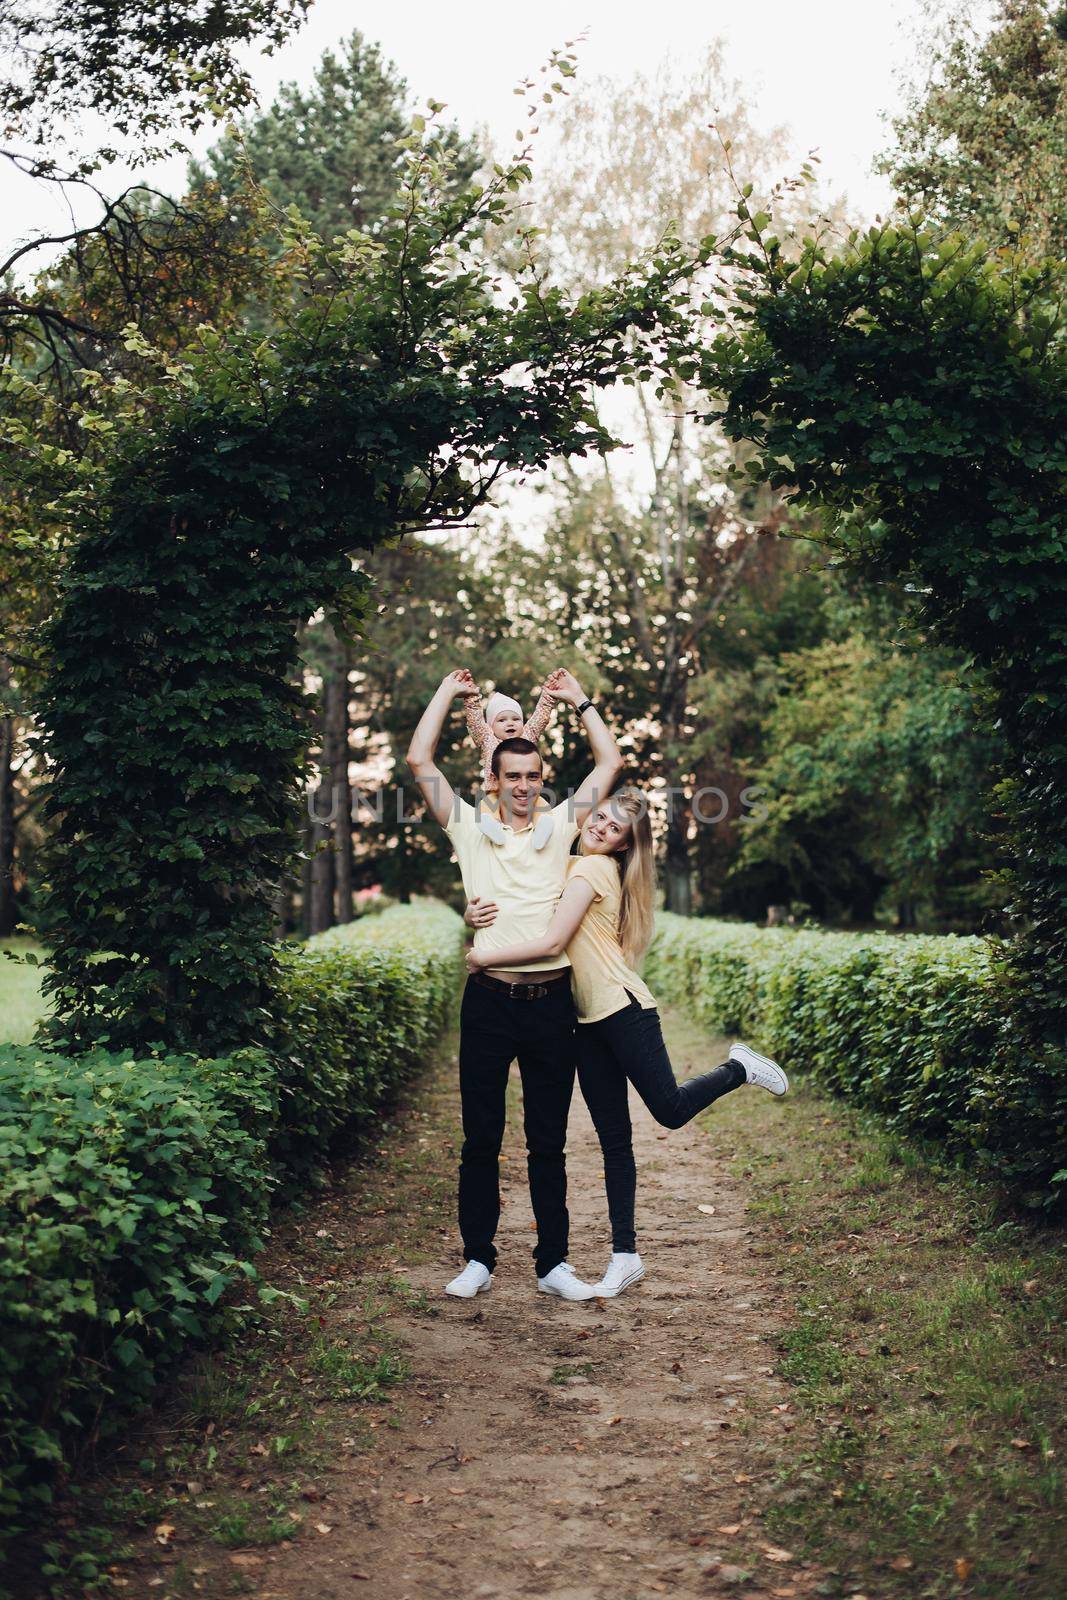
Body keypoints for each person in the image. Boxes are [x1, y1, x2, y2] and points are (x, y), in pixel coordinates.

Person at [464, 786, 788, 1298]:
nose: (600, 828)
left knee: (670, 1110)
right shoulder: (575, 863)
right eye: (601, 818)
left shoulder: (591, 870)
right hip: (586, 1022)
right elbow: (521, 883)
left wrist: (483, 957)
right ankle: (625, 1256)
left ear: (621, 846)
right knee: (614, 1142)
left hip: (623, 1011)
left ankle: (738, 1068)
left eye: (614, 829)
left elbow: (550, 942)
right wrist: (474, 913)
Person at [406, 666, 622, 1302]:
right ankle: (478, 1258)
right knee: (481, 1138)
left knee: (548, 1141)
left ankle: (553, 1264)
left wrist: (580, 700)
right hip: (490, 1003)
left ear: (541, 780)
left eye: (533, 776)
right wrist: (447, 692)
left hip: (551, 1002)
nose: (524, 786)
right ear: (494, 780)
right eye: (513, 777)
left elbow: (608, 762)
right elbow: (419, 757)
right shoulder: (470, 827)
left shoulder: (560, 828)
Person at [462, 677, 558, 847]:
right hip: (496, 791)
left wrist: (548, 696)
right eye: (502, 720)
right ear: (491, 726)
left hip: (526, 794)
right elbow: (476, 723)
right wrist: (471, 699)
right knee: (486, 806)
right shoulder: (488, 740)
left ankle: (543, 827)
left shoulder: (527, 737)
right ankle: (492, 827)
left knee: (542, 805)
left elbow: (540, 718)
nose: (510, 723)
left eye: (515, 719)